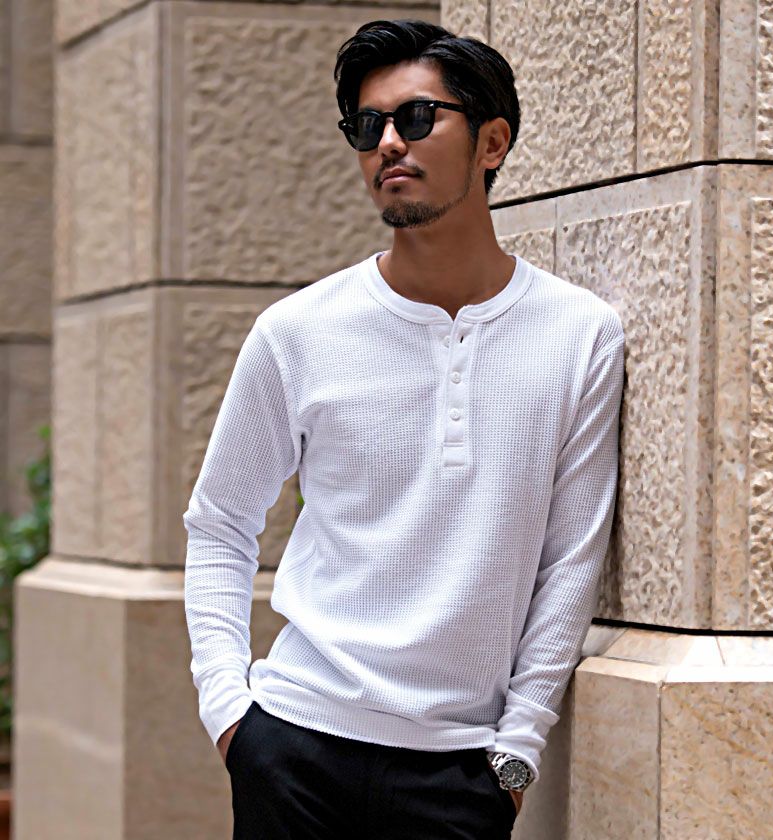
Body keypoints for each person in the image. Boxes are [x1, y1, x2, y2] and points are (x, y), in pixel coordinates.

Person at [183, 18, 624, 840]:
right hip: (294, 746)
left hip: (462, 771)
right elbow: (219, 523)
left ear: (492, 142)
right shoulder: (298, 332)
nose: (389, 142)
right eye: (367, 125)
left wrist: (516, 755)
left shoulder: (580, 335)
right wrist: (231, 718)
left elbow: (571, 559)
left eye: (417, 118)